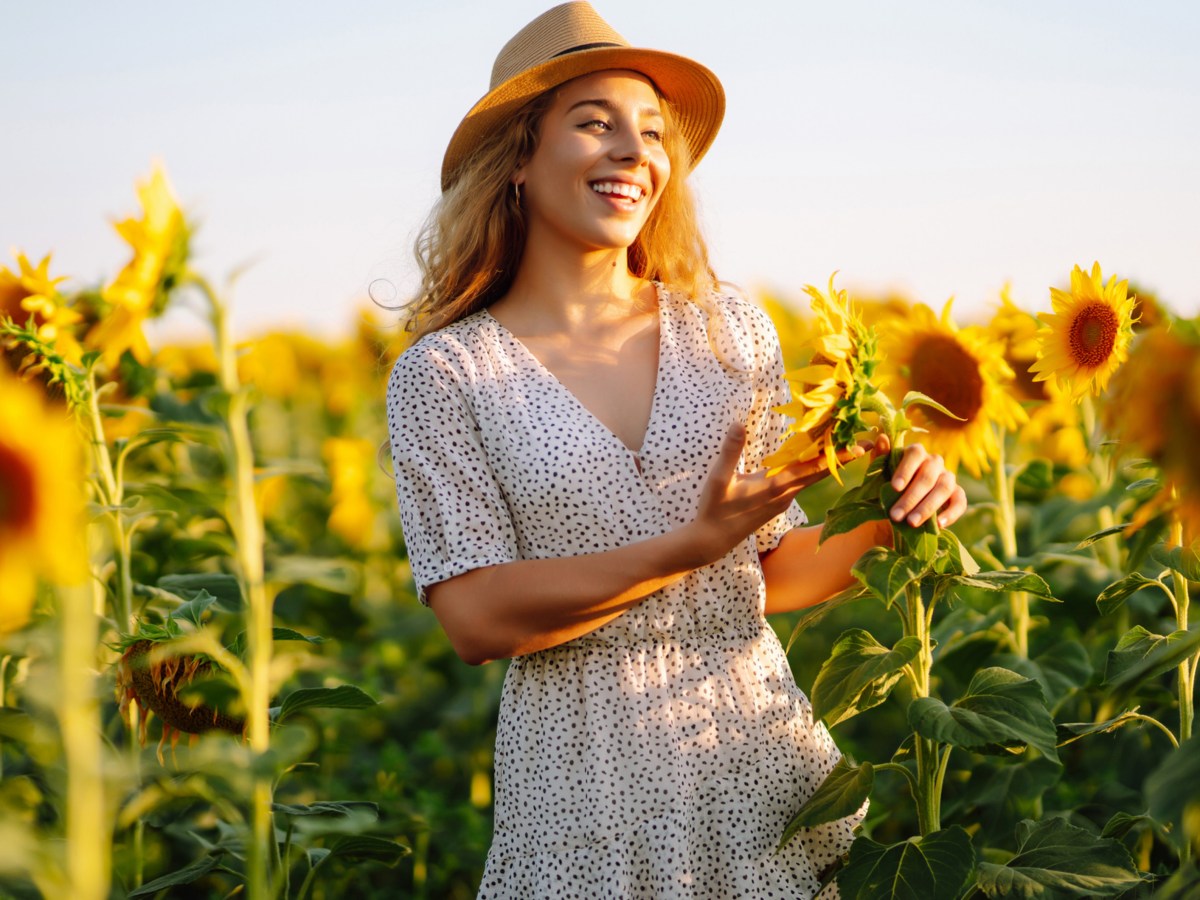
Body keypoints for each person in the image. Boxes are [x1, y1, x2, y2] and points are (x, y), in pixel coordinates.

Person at [385, 3, 967, 896]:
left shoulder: (727, 332)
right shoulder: (446, 372)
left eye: (653, 133)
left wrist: (892, 515)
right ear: (518, 159)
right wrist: (684, 550)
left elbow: (769, 576)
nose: (635, 153)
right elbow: (475, 616)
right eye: (595, 124)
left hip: (751, 754)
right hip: (583, 785)